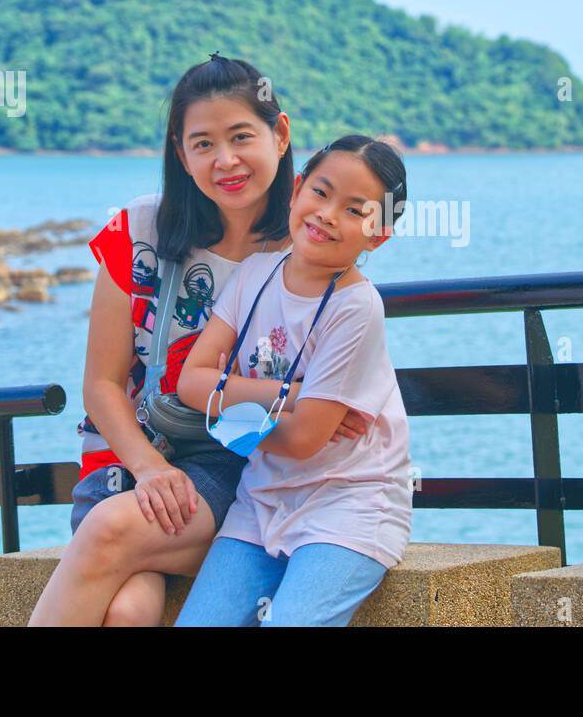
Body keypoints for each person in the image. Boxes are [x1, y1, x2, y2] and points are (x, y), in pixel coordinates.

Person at [28, 55, 367, 626]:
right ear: (181, 155)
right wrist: (150, 468)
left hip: (246, 471)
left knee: (113, 531)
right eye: (203, 144)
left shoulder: (309, 252)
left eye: (241, 137)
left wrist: (309, 399)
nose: (225, 161)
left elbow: (333, 384)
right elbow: (103, 384)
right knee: (131, 612)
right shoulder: (139, 233)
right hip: (129, 459)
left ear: (280, 136)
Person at [172, 134, 413, 627]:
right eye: (320, 193)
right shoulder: (255, 274)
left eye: (355, 210)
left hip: (350, 505)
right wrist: (296, 395)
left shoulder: (357, 307)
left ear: (378, 234)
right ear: (297, 189)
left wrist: (229, 392)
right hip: (260, 500)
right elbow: (189, 382)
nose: (326, 215)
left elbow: (304, 440)